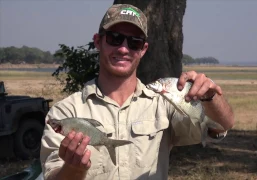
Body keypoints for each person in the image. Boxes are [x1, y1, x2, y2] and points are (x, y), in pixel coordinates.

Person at [40, 3, 234, 180]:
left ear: (144, 49)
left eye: (134, 42)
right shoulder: (65, 113)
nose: (124, 49)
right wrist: (75, 168)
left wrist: (210, 97)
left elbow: (221, 126)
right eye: (115, 38)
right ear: (98, 41)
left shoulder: (162, 104)